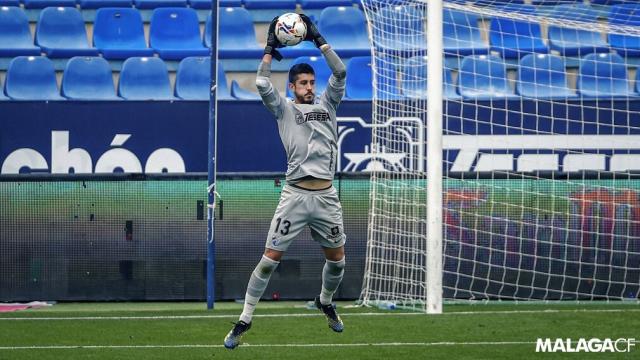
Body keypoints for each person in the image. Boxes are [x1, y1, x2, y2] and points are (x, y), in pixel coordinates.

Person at [224, 14, 347, 350]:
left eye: (311, 82)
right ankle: (244, 320)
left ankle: (325, 301)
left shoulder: (328, 104)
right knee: (268, 261)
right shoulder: (284, 109)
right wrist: (268, 49)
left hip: (326, 197)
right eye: (303, 83)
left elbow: (340, 72)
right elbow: (262, 84)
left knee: (337, 261)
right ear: (292, 87)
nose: (309, 88)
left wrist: (318, 38)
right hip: (294, 195)